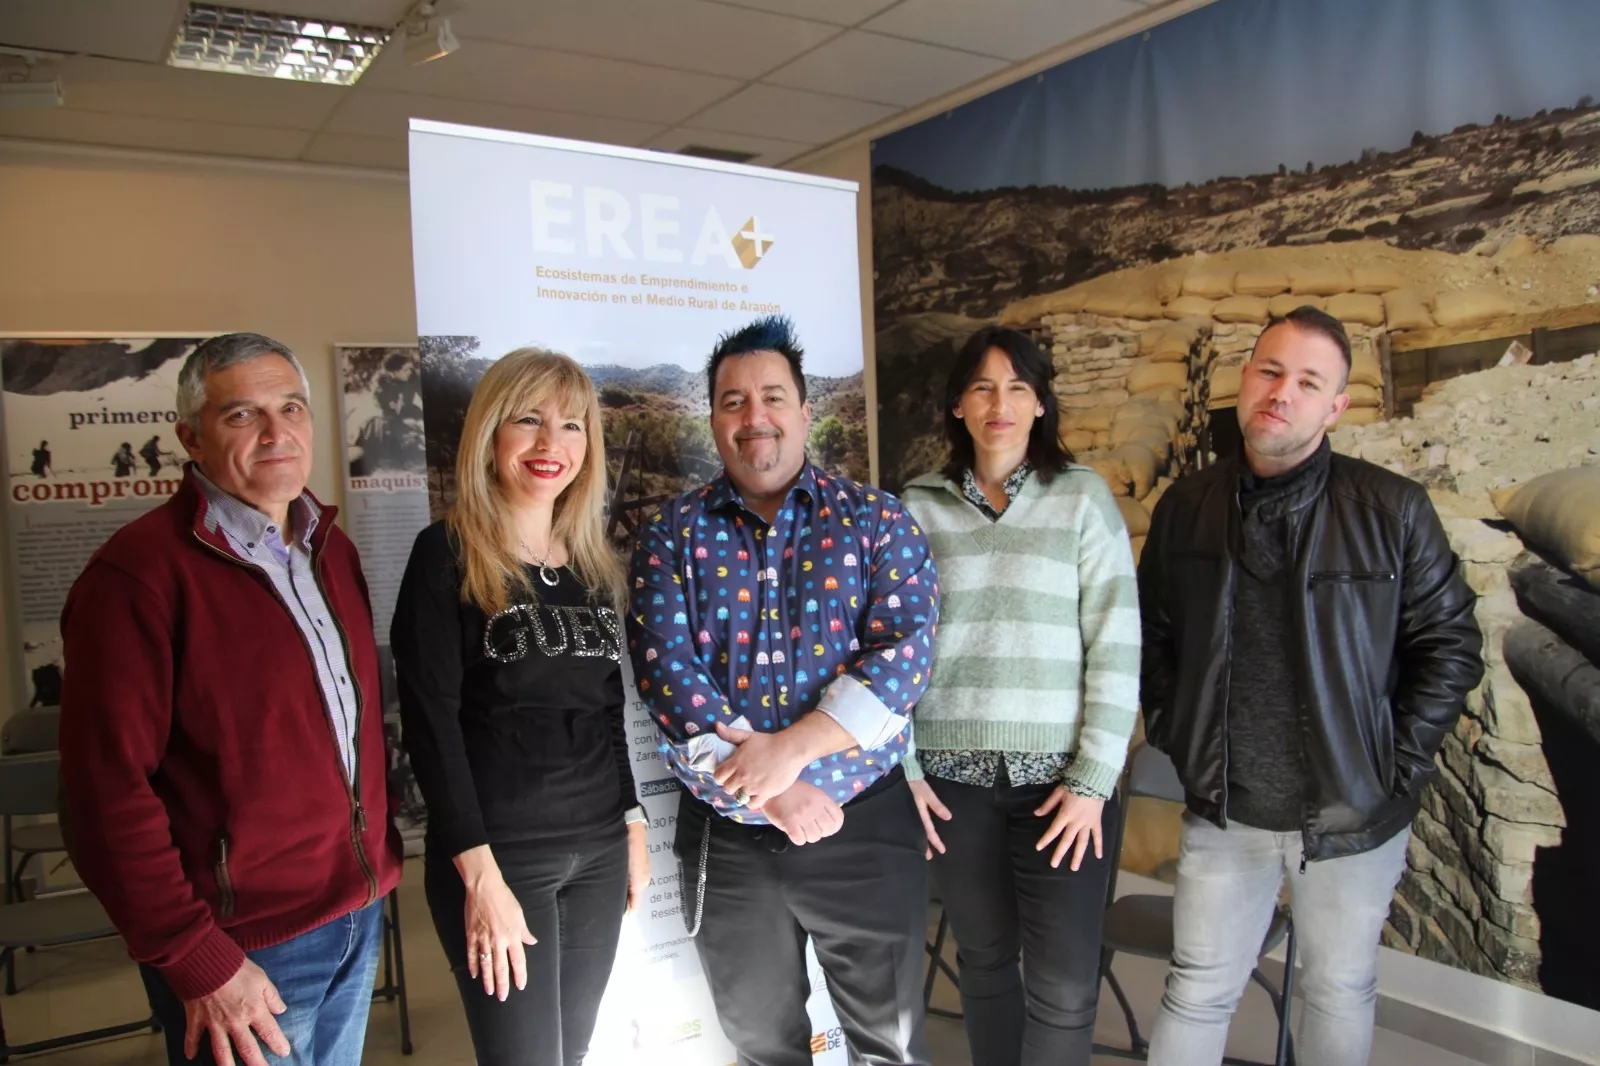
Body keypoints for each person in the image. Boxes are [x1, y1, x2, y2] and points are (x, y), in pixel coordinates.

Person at [1139, 306, 1483, 1066]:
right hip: (1226, 810)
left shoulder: (1391, 510)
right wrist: (1175, 731)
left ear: (1335, 407)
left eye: (1307, 382)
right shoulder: (1186, 509)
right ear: (1244, 379)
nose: (1281, 393)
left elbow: (1451, 646)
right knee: (1197, 991)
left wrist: (1395, 764)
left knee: (1337, 990)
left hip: (1351, 814)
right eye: (1270, 371)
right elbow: (1152, 634)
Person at [58, 332, 403, 1066]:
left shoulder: (330, 549)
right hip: (243, 946)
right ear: (191, 437)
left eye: (291, 408)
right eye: (242, 415)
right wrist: (194, 957)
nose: (277, 432)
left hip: (356, 910)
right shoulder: (137, 577)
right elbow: (102, 793)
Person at [627, 316, 939, 1066]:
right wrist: (771, 793)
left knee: (890, 1048)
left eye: (772, 396)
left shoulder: (877, 520)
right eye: (733, 401)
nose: (754, 416)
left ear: (805, 410)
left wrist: (792, 752)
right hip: (730, 839)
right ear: (713, 419)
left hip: (864, 822)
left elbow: (904, 658)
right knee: (762, 1050)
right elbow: (668, 678)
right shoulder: (670, 536)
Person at [391, 349, 648, 1066]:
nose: (550, 443)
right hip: (502, 857)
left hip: (599, 853)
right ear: (490, 432)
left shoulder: (593, 564)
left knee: (574, 1052)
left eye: (571, 425)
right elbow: (431, 727)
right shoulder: (445, 554)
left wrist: (632, 824)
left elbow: (606, 711)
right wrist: (480, 880)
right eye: (528, 420)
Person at [900, 327, 1140, 1066]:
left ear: (1040, 404)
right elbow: (890, 649)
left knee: (1065, 983)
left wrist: (1093, 781)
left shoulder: (1082, 499)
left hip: (1063, 791)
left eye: (1016, 387)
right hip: (951, 787)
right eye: (981, 387)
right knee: (984, 962)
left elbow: (1117, 644)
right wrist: (906, 767)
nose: (998, 403)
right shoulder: (918, 507)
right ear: (957, 406)